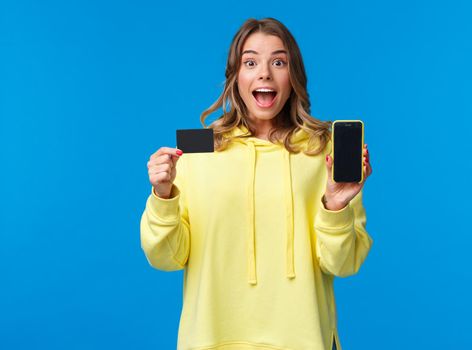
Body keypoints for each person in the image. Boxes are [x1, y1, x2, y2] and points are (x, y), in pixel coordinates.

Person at [140, 17, 373, 350]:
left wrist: (335, 207)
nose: (265, 73)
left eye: (278, 62)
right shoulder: (198, 147)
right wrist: (163, 196)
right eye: (251, 62)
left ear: (294, 77)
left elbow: (343, 263)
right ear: (236, 77)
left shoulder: (325, 150)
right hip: (212, 341)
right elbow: (165, 258)